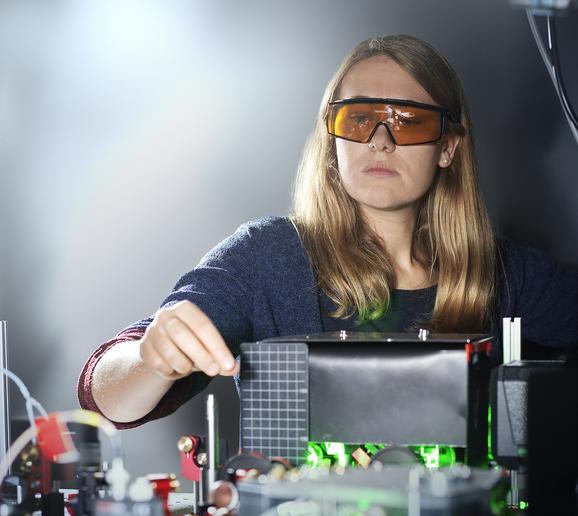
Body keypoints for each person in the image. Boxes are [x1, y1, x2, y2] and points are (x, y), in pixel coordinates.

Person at [78, 34, 578, 428]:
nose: (380, 142)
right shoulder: (267, 257)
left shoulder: (499, 273)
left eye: (408, 122)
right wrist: (149, 361)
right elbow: (105, 398)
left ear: (447, 148)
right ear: (332, 139)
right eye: (359, 119)